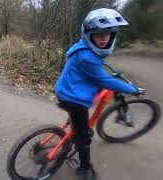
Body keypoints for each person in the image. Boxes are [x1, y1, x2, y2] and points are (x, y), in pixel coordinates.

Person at [55, 8, 144, 180]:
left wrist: (102, 74)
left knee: (81, 115)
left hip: (67, 87)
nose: (104, 38)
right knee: (84, 136)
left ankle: (75, 122)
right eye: (98, 34)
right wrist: (133, 89)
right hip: (73, 97)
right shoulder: (88, 58)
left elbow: (94, 71)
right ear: (89, 34)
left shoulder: (81, 48)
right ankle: (85, 168)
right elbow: (105, 81)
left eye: (108, 34)